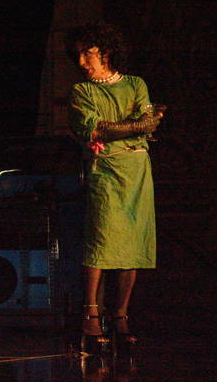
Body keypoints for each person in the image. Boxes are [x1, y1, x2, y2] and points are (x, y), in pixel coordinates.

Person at [66, 23, 162, 354]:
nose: (82, 61)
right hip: (105, 170)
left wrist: (134, 127)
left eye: (87, 53)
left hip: (136, 170)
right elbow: (95, 130)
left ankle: (120, 314)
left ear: (105, 52)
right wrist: (136, 125)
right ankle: (91, 313)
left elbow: (148, 126)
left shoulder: (135, 84)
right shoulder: (82, 91)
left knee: (132, 242)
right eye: (78, 55)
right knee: (102, 238)